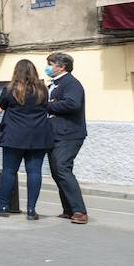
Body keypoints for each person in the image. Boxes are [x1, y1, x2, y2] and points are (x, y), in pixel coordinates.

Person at [0, 59, 53, 220]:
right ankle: (31, 210)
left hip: (14, 136)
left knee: (9, 171)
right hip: (38, 136)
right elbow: (46, 106)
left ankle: (2, 206)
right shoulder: (42, 90)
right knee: (34, 172)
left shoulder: (10, 90)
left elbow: (2, 105)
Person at [45, 52, 90, 224]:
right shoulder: (54, 84)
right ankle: (69, 209)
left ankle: (80, 211)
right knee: (57, 171)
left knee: (62, 168)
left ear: (61, 66)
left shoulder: (71, 83)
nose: (48, 67)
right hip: (55, 134)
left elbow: (72, 104)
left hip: (69, 134)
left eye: (50, 64)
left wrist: (47, 106)